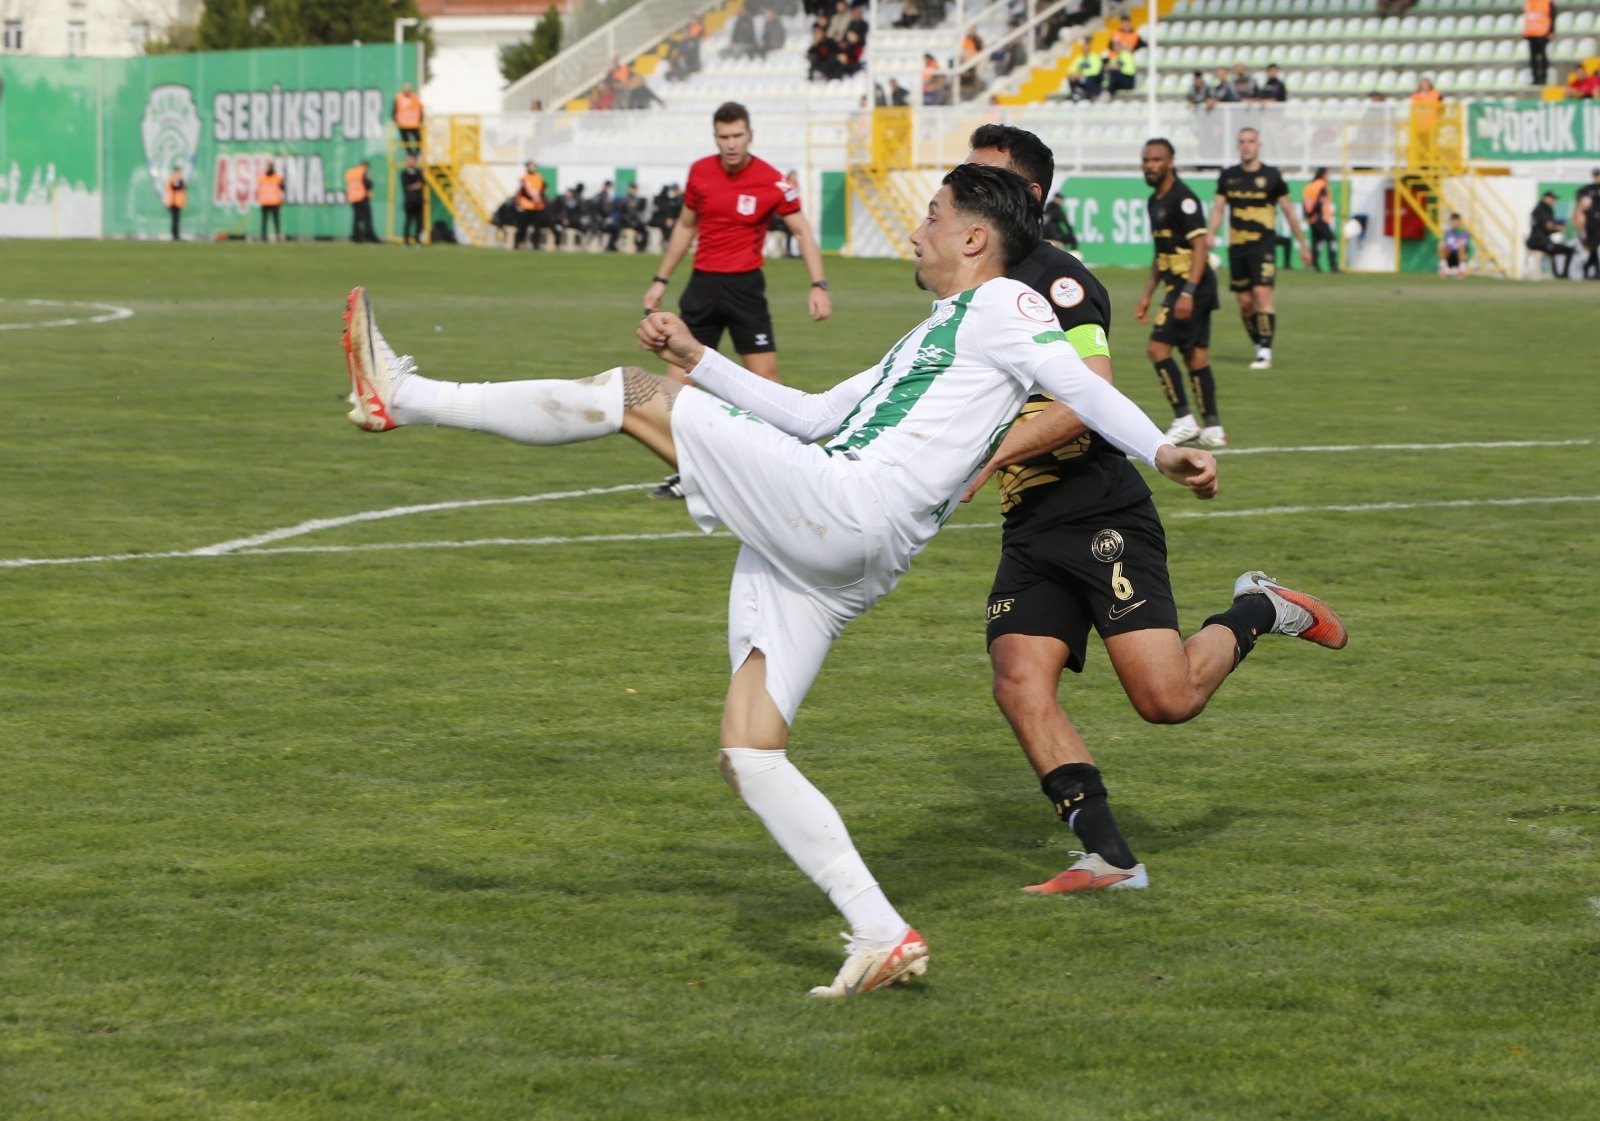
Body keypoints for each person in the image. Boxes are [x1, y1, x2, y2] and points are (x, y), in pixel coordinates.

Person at [342, 162, 1244, 996]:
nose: (919, 229)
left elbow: (1081, 387)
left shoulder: (1008, 305)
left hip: (847, 509)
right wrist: (702, 360)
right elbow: (814, 414)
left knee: (628, 392)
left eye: (933, 216)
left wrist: (1164, 447)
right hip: (838, 541)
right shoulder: (947, 323)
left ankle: (405, 395)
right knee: (749, 749)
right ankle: (878, 932)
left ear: (974, 238)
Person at [961, 125, 1348, 893]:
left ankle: (1263, 608)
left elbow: (1090, 396)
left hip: (1095, 506)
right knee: (1017, 678)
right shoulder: (970, 291)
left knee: (1166, 699)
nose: (963, 194)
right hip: (1028, 521)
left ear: (1026, 196)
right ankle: (1108, 856)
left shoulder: (1056, 280)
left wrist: (992, 454)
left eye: (983, 180)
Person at [641, 102, 832, 497]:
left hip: (745, 289)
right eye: (723, 137)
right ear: (716, 138)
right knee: (677, 384)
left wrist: (819, 284)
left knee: (765, 380)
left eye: (737, 136)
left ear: (750, 136)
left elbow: (802, 232)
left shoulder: (772, 181)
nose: (730, 144)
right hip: (702, 287)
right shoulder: (699, 172)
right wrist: (661, 279)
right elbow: (685, 226)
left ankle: (784, 470)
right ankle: (690, 474)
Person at [1136, 138, 1224, 448]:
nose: (1150, 165)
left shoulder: (1182, 199)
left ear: (1170, 163)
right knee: (1195, 355)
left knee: (1157, 349)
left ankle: (1184, 419)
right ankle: (1213, 427)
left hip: (1192, 286)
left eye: (1157, 160)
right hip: (1180, 285)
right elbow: (1162, 255)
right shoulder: (1154, 201)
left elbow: (1200, 246)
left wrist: (1187, 291)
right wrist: (1148, 294)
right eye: (1146, 160)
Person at [1208, 128, 1313, 372]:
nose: (1247, 146)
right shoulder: (1228, 176)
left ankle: (1265, 350)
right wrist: (1210, 233)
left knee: (1261, 294)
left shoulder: (1272, 176)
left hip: (1263, 246)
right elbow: (1218, 209)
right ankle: (1259, 343)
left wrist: (1303, 244)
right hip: (1237, 248)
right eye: (1242, 142)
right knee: (1245, 303)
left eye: (1251, 141)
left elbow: (1288, 211)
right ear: (1238, 146)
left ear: (1259, 145)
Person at [1527, 190, 1575, 278]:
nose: (1554, 201)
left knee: (1554, 250)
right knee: (1569, 250)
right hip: (1540, 242)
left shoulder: (1538, 208)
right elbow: (1549, 226)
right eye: (1553, 199)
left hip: (1536, 241)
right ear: (1547, 198)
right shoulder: (1544, 209)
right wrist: (1559, 228)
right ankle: (1563, 275)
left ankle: (1558, 274)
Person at [1302, 167, 1339, 273]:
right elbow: (1320, 202)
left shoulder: (1309, 186)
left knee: (1317, 242)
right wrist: (1316, 214)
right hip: (1320, 218)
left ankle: (1315, 266)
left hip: (1311, 219)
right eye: (1328, 174)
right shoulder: (1322, 186)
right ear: (1323, 174)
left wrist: (1308, 216)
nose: (1329, 176)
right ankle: (1333, 266)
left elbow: (1304, 202)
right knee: (1331, 240)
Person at [514, 160, 549, 250]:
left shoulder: (539, 177)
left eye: (534, 166)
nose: (532, 168)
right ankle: (518, 243)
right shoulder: (524, 177)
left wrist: (541, 199)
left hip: (537, 207)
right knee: (522, 227)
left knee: (537, 227)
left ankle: (536, 245)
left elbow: (543, 188)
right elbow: (524, 191)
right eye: (530, 166)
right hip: (526, 206)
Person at [1522, 0, 1555, 87]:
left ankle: (1543, 78)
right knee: (1533, 58)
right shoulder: (1529, 2)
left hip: (1542, 33)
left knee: (1542, 57)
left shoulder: (1547, 2)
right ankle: (1535, 78)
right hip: (1531, 33)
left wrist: (1551, 31)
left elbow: (1552, 15)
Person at [1575, 168, 1600, 279]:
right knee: (1593, 247)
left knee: (1595, 247)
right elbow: (1581, 207)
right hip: (1592, 223)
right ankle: (1594, 270)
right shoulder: (1587, 190)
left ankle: (1589, 268)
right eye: (1596, 176)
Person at [346, 160, 377, 244]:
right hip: (362, 198)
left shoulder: (351, 172)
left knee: (356, 219)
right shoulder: (363, 173)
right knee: (367, 219)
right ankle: (370, 236)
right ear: (365, 166)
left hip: (353, 198)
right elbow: (369, 184)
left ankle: (356, 237)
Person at [400, 153, 425, 246]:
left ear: (415, 161)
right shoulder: (404, 173)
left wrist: (414, 185)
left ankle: (418, 241)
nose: (411, 161)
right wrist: (416, 185)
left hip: (418, 201)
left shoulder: (419, 172)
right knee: (408, 221)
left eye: (412, 160)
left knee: (419, 222)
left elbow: (422, 183)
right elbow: (407, 186)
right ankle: (406, 241)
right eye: (409, 160)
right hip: (409, 201)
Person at [257, 160, 284, 242]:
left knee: (273, 220)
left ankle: (273, 235)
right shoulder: (275, 177)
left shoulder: (277, 177)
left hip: (273, 201)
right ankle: (265, 236)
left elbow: (283, 188)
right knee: (267, 220)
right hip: (268, 201)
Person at [1438, 212, 1472, 277]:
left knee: (1461, 244)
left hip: (1460, 258)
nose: (1454, 222)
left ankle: (1462, 269)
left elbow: (1472, 249)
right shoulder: (1447, 233)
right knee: (1441, 244)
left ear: (1459, 221)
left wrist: (1467, 258)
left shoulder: (1466, 233)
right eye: (1452, 220)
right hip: (1449, 257)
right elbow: (1442, 247)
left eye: (1456, 220)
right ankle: (1443, 268)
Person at [394, 82, 423, 155]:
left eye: (409, 89)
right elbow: (395, 110)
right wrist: (396, 121)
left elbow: (420, 110)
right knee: (406, 142)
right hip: (403, 125)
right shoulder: (399, 98)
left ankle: (416, 155)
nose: (407, 91)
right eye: (406, 89)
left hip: (414, 124)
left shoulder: (415, 97)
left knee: (418, 140)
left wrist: (420, 120)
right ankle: (410, 155)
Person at [164, 162, 186, 242]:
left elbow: (182, 187)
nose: (181, 172)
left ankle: (176, 235)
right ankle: (175, 235)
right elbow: (175, 187)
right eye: (180, 170)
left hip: (178, 202)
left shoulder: (179, 179)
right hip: (173, 202)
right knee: (175, 219)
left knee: (176, 219)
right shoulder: (174, 178)